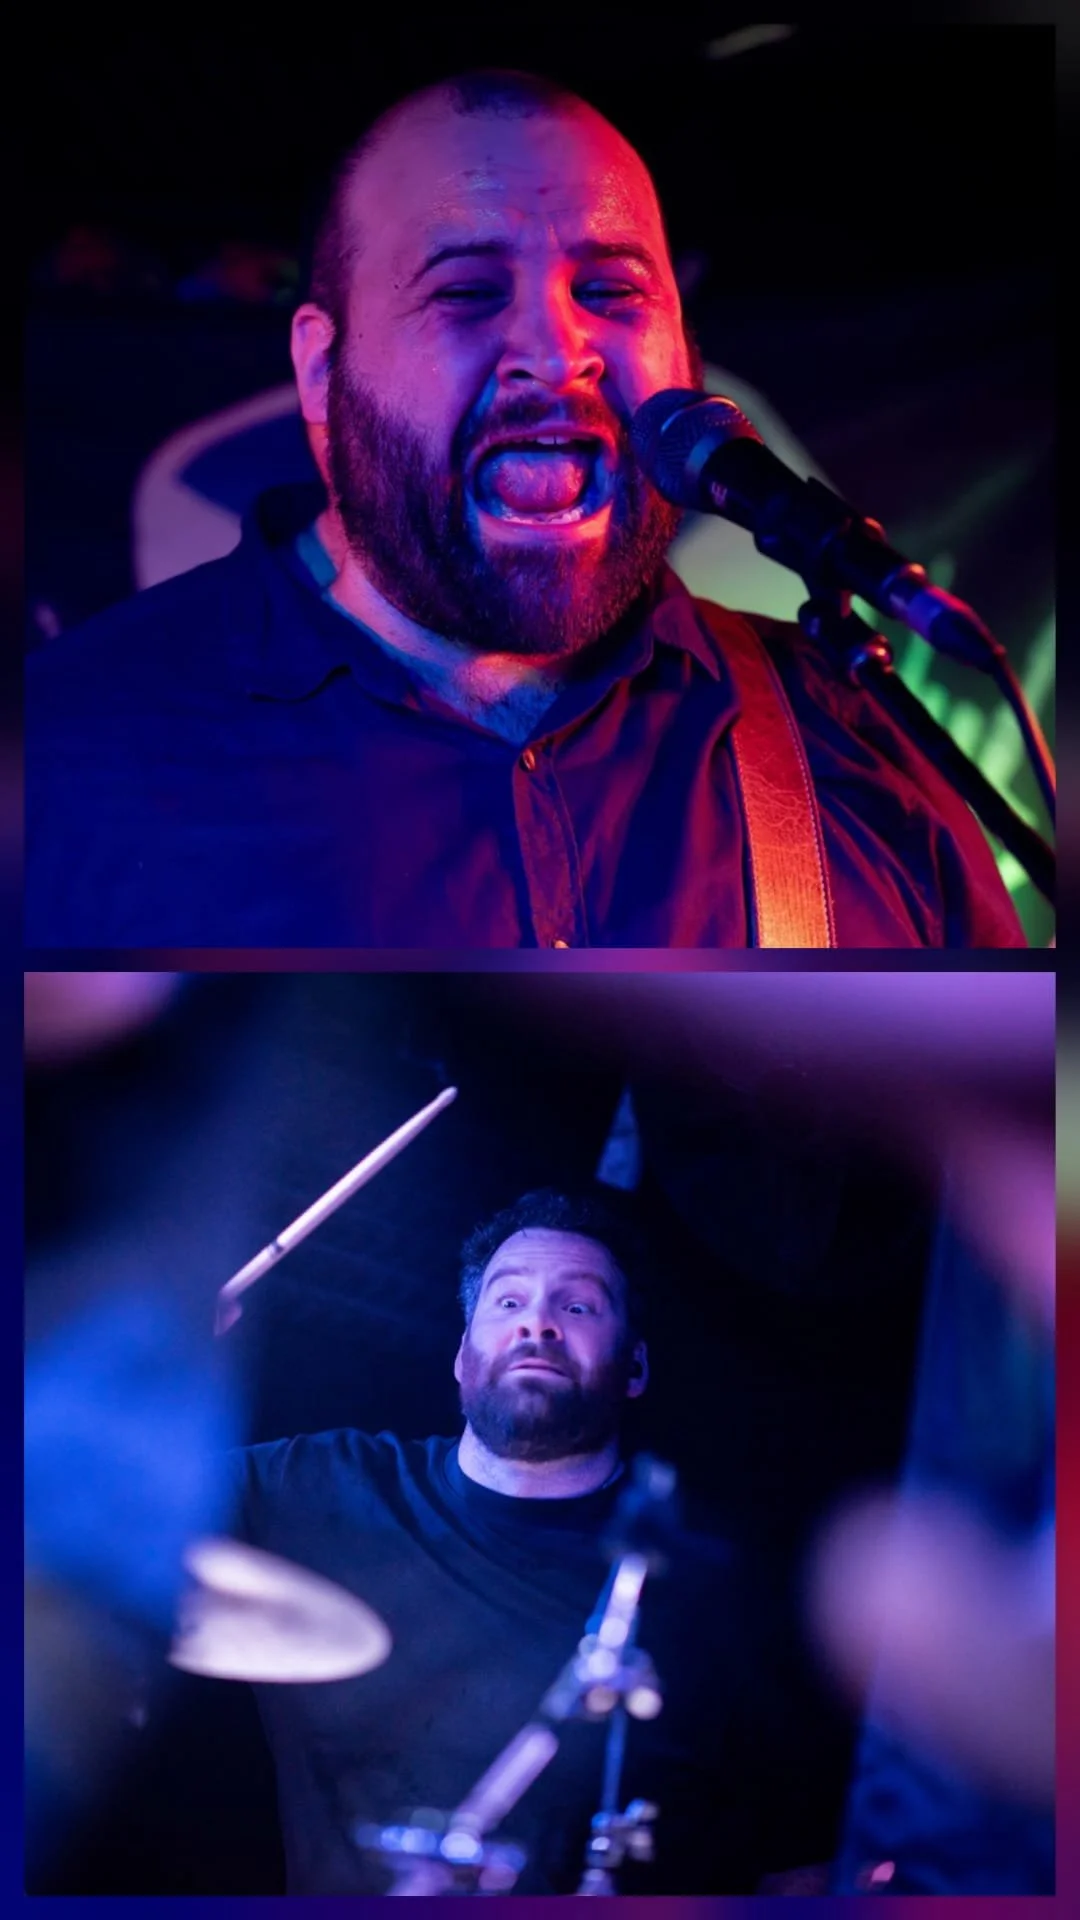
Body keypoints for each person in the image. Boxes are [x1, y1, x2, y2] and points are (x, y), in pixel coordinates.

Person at [25, 68, 1025, 948]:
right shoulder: (69, 755)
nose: (555, 352)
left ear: (684, 355)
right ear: (323, 369)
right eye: (465, 293)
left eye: (611, 290)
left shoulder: (852, 745)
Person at [221, 1188, 853, 1895]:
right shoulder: (321, 1489)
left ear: (635, 1366)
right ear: (462, 1356)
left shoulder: (720, 1590)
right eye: (509, 1302)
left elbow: (803, 1868)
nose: (539, 1325)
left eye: (579, 1306)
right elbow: (93, 1513)